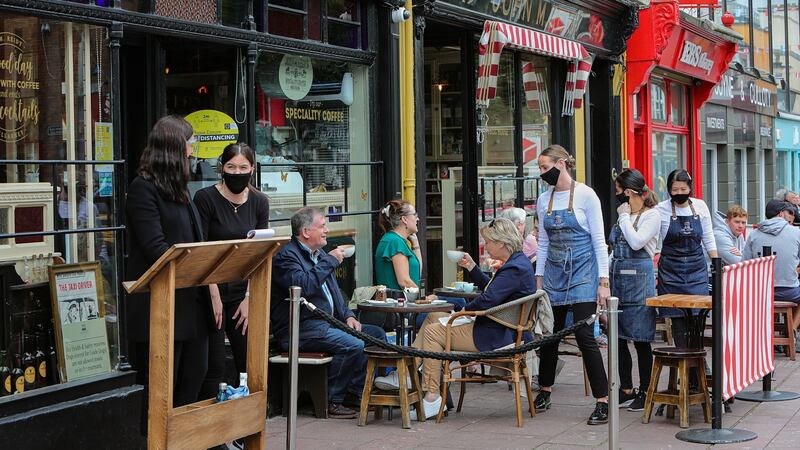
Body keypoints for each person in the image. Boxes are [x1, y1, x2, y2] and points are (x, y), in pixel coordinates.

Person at [405, 218, 537, 419]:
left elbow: (488, 299)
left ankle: (431, 396)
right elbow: (493, 291)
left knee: (433, 333)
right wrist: (473, 268)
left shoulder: (514, 268)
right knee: (433, 316)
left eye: (489, 241)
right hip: (500, 329)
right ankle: (410, 374)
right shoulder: (518, 263)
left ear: (501, 242)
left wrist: (462, 310)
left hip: (495, 335)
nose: (486, 245)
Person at [125, 115, 212, 410]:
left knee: (195, 377)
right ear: (174, 149)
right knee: (164, 388)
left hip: (192, 303)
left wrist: (209, 282)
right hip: (163, 307)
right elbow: (156, 249)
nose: (193, 149)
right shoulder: (143, 189)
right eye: (190, 143)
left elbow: (195, 242)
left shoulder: (182, 191)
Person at [270, 207, 386, 419]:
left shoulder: (319, 254)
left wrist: (349, 316)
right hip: (299, 328)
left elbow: (334, 293)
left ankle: (355, 393)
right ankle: (332, 400)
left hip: (326, 324)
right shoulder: (286, 257)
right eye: (322, 225)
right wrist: (330, 261)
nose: (327, 230)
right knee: (354, 344)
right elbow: (303, 286)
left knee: (376, 335)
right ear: (306, 232)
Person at [533, 145, 611, 425]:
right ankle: (544, 390)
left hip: (583, 272)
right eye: (540, 168)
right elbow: (543, 242)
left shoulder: (587, 195)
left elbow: (598, 241)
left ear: (562, 163)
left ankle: (602, 400)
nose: (542, 173)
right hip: (554, 272)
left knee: (584, 336)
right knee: (550, 335)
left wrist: (604, 282)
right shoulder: (544, 200)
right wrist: (539, 278)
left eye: (545, 167)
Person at [194, 143, 270, 398]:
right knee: (213, 365)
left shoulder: (259, 201)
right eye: (231, 167)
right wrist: (213, 294)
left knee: (247, 361)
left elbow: (259, 250)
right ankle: (213, 430)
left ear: (252, 169)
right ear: (222, 168)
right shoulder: (205, 198)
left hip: (242, 291)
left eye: (243, 167)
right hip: (210, 288)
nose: (237, 172)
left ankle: (244, 427)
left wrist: (249, 298)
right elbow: (201, 249)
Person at [373, 199, 465, 330]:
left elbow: (416, 273)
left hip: (407, 306)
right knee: (458, 302)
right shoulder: (395, 242)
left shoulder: (395, 240)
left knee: (457, 302)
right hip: (403, 312)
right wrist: (425, 298)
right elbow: (404, 281)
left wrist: (415, 244)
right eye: (415, 214)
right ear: (404, 219)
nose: (418, 218)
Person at [610, 169, 660, 412]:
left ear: (629, 192)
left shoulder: (652, 216)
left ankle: (646, 390)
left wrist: (623, 218)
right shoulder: (625, 215)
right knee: (618, 340)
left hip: (640, 285)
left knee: (641, 340)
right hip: (618, 281)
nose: (617, 196)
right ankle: (626, 388)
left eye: (619, 192)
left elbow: (637, 242)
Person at [655, 169, 718, 350]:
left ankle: (698, 356)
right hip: (671, 270)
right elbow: (654, 238)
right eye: (675, 190)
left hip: (696, 269)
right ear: (668, 190)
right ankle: (684, 356)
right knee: (677, 316)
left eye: (683, 189)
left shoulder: (700, 206)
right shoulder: (661, 209)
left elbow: (708, 237)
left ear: (690, 188)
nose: (680, 193)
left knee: (698, 315)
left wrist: (716, 262)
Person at [743, 200, 800, 321]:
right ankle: (792, 329)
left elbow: (745, 264)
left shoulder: (753, 234)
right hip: (789, 291)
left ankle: (769, 328)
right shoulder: (796, 232)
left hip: (760, 291)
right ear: (781, 214)